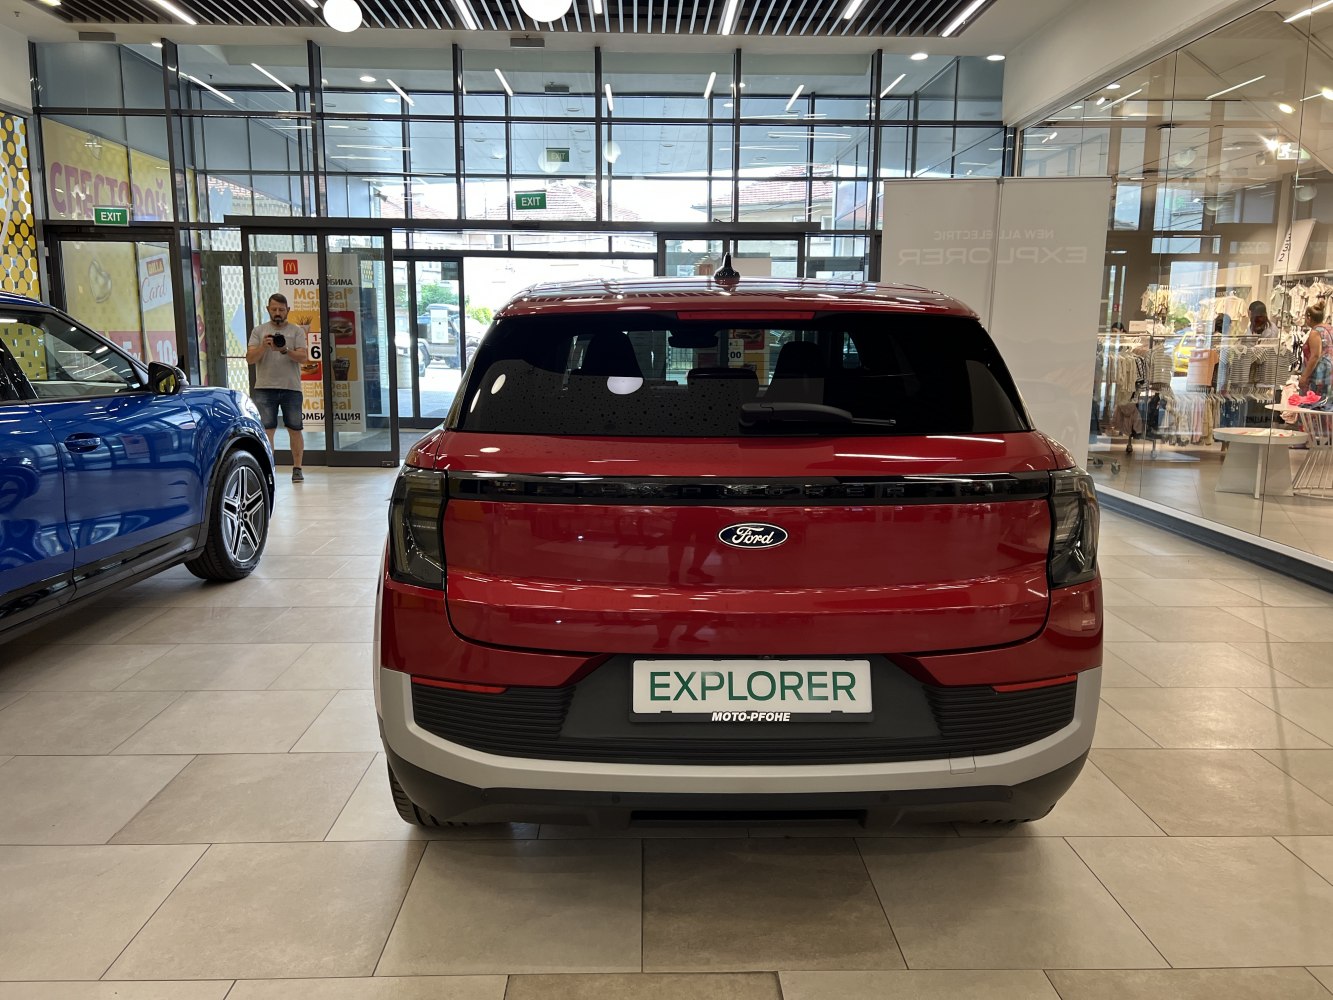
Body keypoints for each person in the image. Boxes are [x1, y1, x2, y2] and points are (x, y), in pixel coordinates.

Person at [246, 292, 311, 481]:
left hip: (291, 387)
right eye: (274, 309)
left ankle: (297, 468)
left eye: (281, 310)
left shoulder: (297, 331)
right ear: (268, 309)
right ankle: (268, 468)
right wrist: (264, 347)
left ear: (287, 311)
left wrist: (285, 350)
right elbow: (250, 359)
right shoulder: (259, 331)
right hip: (264, 388)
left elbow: (304, 358)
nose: (277, 313)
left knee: (295, 429)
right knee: (267, 430)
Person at [1298, 300, 1333, 399]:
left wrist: (1304, 377)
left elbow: (1315, 356)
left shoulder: (1315, 332)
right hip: (1329, 373)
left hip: (1318, 375)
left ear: (1309, 317)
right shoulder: (1329, 328)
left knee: (1313, 404)